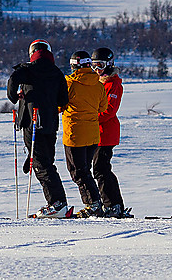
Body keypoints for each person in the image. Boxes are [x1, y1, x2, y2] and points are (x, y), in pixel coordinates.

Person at [7, 39, 70, 218]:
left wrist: (16, 96)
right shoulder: (57, 72)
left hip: (31, 121)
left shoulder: (27, 69)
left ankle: (57, 204)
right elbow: (63, 101)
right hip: (50, 123)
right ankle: (59, 203)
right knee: (47, 162)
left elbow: (12, 80)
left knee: (41, 165)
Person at [61, 50, 108, 218]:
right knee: (85, 171)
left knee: (78, 172)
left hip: (75, 134)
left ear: (74, 66)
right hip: (93, 135)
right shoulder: (99, 84)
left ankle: (93, 205)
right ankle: (95, 203)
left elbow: (59, 105)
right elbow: (103, 108)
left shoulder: (69, 83)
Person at [91, 46, 130, 218]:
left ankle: (113, 205)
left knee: (101, 169)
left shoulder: (113, 84)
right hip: (95, 133)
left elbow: (109, 111)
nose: (96, 70)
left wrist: (89, 119)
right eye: (93, 66)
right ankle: (112, 204)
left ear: (109, 64)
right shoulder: (97, 83)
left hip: (106, 133)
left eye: (99, 65)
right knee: (99, 169)